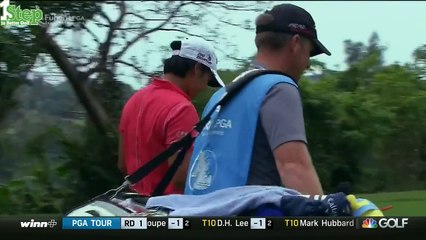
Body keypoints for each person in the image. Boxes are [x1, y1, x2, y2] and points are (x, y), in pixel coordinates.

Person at [185, 4, 331, 196]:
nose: (308, 63)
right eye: (309, 52)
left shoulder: (220, 95)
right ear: (295, 43)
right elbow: (294, 168)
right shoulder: (278, 88)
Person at [118, 37, 224, 196]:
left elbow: (122, 165)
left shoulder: (134, 100)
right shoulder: (182, 109)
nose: (204, 88)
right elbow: (181, 179)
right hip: (167, 210)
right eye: (207, 80)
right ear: (197, 69)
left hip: (134, 204)